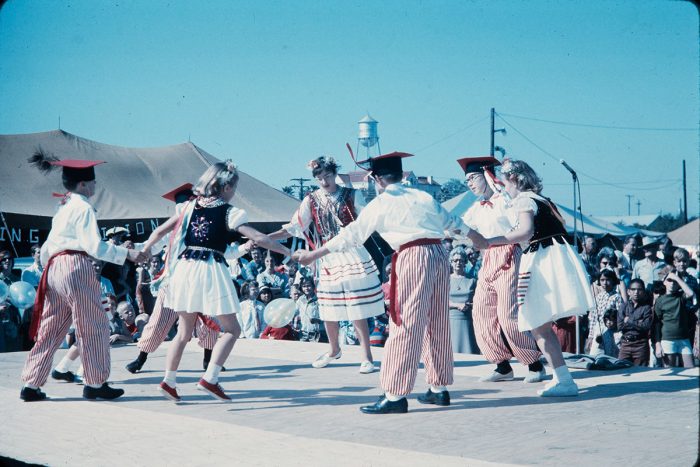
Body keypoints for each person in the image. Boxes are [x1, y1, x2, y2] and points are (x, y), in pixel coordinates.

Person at [294, 152, 486, 414]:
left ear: (376, 180)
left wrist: (313, 254)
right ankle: (439, 389)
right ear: (400, 175)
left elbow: (351, 235)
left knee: (405, 322)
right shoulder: (423, 196)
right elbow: (454, 223)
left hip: (411, 256)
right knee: (437, 321)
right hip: (439, 254)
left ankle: (395, 395)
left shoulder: (382, 203)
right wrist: (481, 240)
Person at [141, 161, 291, 402]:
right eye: (234, 186)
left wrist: (145, 249)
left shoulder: (189, 206)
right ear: (227, 186)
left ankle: (169, 381)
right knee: (232, 329)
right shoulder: (230, 212)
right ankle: (210, 379)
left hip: (185, 269)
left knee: (183, 332)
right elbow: (259, 237)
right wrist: (291, 253)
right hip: (209, 271)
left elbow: (160, 232)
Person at [20, 154, 146, 402]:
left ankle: (31, 384)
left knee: (51, 327)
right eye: (93, 183)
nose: (95, 187)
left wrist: (52, 268)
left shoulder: (63, 209)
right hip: (76, 265)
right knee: (94, 323)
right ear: (84, 185)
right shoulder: (84, 208)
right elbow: (94, 246)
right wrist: (128, 253)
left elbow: (47, 248)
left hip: (54, 267)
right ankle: (96, 382)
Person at [484, 159, 594, 397]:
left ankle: (565, 380)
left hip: (541, 260)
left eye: (504, 179)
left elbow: (525, 231)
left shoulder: (524, 199)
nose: (502, 185)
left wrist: (490, 240)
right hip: (552, 257)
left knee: (536, 323)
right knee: (540, 324)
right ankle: (561, 377)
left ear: (514, 179)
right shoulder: (543, 200)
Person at [270, 156, 384, 374]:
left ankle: (366, 357)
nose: (324, 181)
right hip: (327, 257)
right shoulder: (311, 199)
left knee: (356, 307)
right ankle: (333, 350)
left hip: (351, 253)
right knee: (328, 306)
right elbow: (295, 226)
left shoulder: (352, 194)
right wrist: (266, 237)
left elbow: (369, 221)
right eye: (319, 177)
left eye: (328, 176)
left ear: (335, 174)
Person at [124, 183, 246, 374]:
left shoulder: (205, 229)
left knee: (208, 322)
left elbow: (225, 252)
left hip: (200, 282)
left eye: (189, 203)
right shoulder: (174, 233)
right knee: (159, 322)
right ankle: (141, 358)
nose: (185, 208)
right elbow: (154, 241)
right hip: (173, 283)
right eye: (181, 206)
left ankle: (208, 360)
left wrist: (245, 248)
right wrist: (137, 249)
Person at [458, 156, 544, 383]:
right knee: (481, 313)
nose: (470, 183)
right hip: (488, 259)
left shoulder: (505, 199)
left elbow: (522, 228)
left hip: (509, 254)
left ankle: (534, 363)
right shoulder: (476, 207)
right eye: (466, 180)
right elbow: (462, 229)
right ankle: (502, 365)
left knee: (508, 315)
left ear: (486, 175)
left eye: (473, 178)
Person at [654, 270, 696, 368]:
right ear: (664, 282)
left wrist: (677, 278)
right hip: (668, 339)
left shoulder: (681, 297)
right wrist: (658, 344)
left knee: (691, 369)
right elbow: (656, 323)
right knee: (670, 371)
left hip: (684, 339)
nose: (672, 283)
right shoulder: (660, 300)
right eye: (669, 280)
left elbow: (690, 293)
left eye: (675, 281)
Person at [447, 247, 479, 354]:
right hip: (450, 322)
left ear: (465, 262)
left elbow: (479, 300)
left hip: (468, 322)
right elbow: (440, 301)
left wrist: (471, 305)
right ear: (451, 262)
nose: (458, 263)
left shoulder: (472, 281)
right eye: (455, 260)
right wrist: (457, 305)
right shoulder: (445, 280)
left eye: (461, 260)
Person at [588, 269, 624, 357]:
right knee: (595, 355)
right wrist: (591, 335)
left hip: (611, 331)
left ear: (612, 281)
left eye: (608, 280)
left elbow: (620, 317)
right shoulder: (599, 297)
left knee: (610, 356)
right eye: (602, 280)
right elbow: (593, 318)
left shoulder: (617, 297)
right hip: (598, 330)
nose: (605, 283)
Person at [617, 279, 653, 366]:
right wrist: (638, 322)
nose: (636, 292)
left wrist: (629, 320)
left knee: (640, 373)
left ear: (643, 292)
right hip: (625, 344)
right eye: (633, 289)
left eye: (639, 289)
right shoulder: (624, 306)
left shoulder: (646, 308)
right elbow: (620, 325)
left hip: (640, 344)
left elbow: (646, 326)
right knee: (621, 371)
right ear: (628, 291)